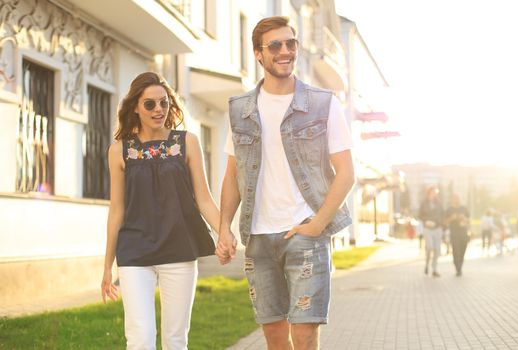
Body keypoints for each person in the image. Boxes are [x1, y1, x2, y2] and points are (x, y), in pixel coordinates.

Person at [216, 16, 354, 350]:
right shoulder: (240, 109)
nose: (284, 51)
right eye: (275, 45)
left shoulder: (323, 104)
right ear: (258, 54)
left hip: (305, 234)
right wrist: (223, 228)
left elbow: (346, 173)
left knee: (304, 335)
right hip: (259, 237)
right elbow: (233, 174)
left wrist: (318, 223)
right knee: (275, 338)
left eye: (290, 43)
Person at [100, 72, 219, 350]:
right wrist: (107, 266)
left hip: (179, 248)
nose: (158, 110)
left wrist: (224, 233)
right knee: (140, 338)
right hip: (134, 252)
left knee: (175, 340)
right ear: (135, 108)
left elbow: (203, 198)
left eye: (163, 103)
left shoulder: (186, 142)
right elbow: (116, 210)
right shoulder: (119, 151)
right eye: (150, 104)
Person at [419, 186, 444, 277]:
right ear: (429, 193)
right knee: (429, 247)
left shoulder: (439, 203)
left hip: (437, 228)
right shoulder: (424, 203)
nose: (434, 194)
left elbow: (442, 214)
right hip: (428, 228)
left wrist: (439, 223)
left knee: (437, 250)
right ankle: (426, 264)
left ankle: (434, 269)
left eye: (435, 192)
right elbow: (420, 215)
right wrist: (426, 221)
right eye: (433, 192)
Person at [444, 194, 470, 276]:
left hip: (463, 233)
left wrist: (464, 218)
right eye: (455, 199)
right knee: (456, 251)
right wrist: (452, 218)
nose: (457, 200)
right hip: (454, 233)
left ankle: (460, 265)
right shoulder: (449, 210)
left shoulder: (464, 208)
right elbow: (444, 222)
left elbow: (469, 220)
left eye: (458, 199)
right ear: (452, 200)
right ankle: (458, 269)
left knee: (463, 250)